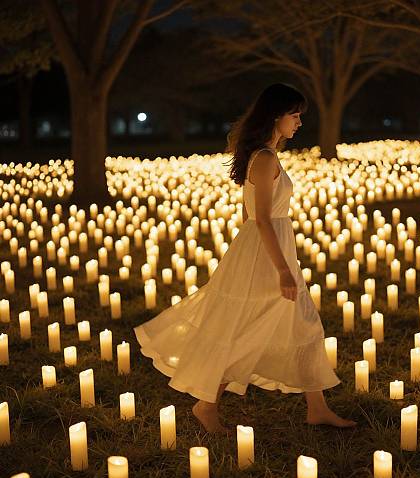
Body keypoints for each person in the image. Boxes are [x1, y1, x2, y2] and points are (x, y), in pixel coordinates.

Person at [133, 83, 357, 433]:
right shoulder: (265, 158)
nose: (298, 123)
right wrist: (282, 270)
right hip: (269, 255)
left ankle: (317, 407)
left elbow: (247, 215)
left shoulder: (262, 154)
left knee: (303, 324)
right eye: (294, 116)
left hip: (266, 249)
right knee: (252, 331)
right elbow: (262, 219)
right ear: (275, 116)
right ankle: (207, 404)